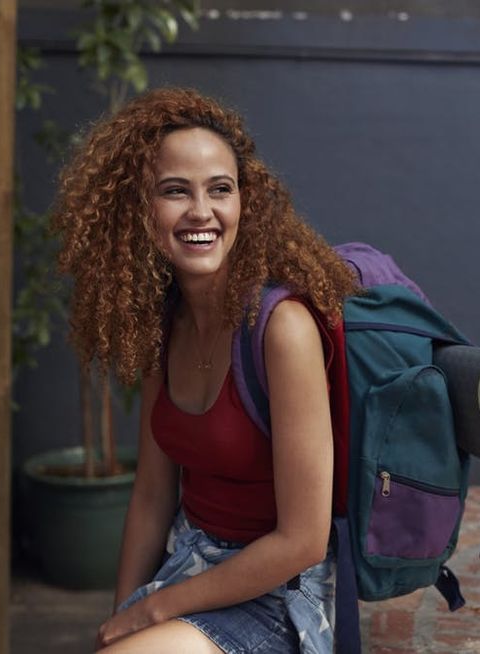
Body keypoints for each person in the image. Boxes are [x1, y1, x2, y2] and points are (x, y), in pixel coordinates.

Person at [52, 87, 358, 653]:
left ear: (248, 201)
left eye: (221, 189)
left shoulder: (282, 330)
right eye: (175, 191)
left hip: (278, 594)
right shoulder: (162, 325)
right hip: (190, 566)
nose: (201, 212)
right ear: (140, 210)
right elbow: (151, 493)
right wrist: (121, 616)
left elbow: (302, 542)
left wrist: (152, 611)